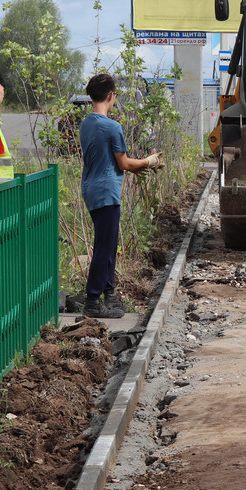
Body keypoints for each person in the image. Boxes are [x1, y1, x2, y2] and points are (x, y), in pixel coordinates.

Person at [78, 73, 163, 319]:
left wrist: (141, 165)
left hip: (91, 189)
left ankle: (109, 294)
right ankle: (93, 300)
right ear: (111, 96)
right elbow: (124, 163)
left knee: (108, 244)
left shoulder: (86, 124)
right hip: (106, 192)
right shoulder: (112, 127)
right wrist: (149, 161)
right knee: (105, 246)